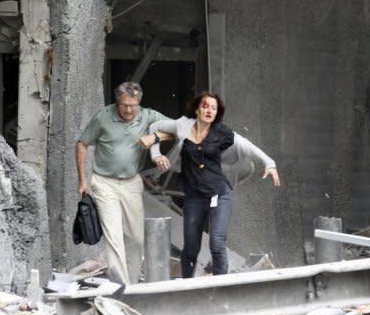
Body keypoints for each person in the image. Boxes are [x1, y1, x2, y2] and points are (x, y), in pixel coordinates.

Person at [145, 91, 280, 277]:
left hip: (219, 193)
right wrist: (156, 155)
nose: (209, 110)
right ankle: (187, 288)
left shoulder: (221, 132)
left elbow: (247, 145)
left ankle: (220, 289)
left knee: (217, 243)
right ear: (197, 109)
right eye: (205, 106)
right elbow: (154, 127)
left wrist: (269, 163)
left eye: (214, 108)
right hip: (194, 197)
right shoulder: (183, 125)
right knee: (191, 249)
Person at [75, 81, 170, 284]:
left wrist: (154, 137)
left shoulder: (148, 116)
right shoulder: (103, 117)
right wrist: (82, 180)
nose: (128, 110)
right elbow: (82, 144)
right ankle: (121, 286)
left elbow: (178, 129)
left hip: (131, 182)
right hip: (104, 182)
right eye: (124, 105)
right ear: (117, 102)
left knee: (135, 238)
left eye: (132, 105)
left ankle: (132, 284)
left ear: (139, 102)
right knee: (114, 237)